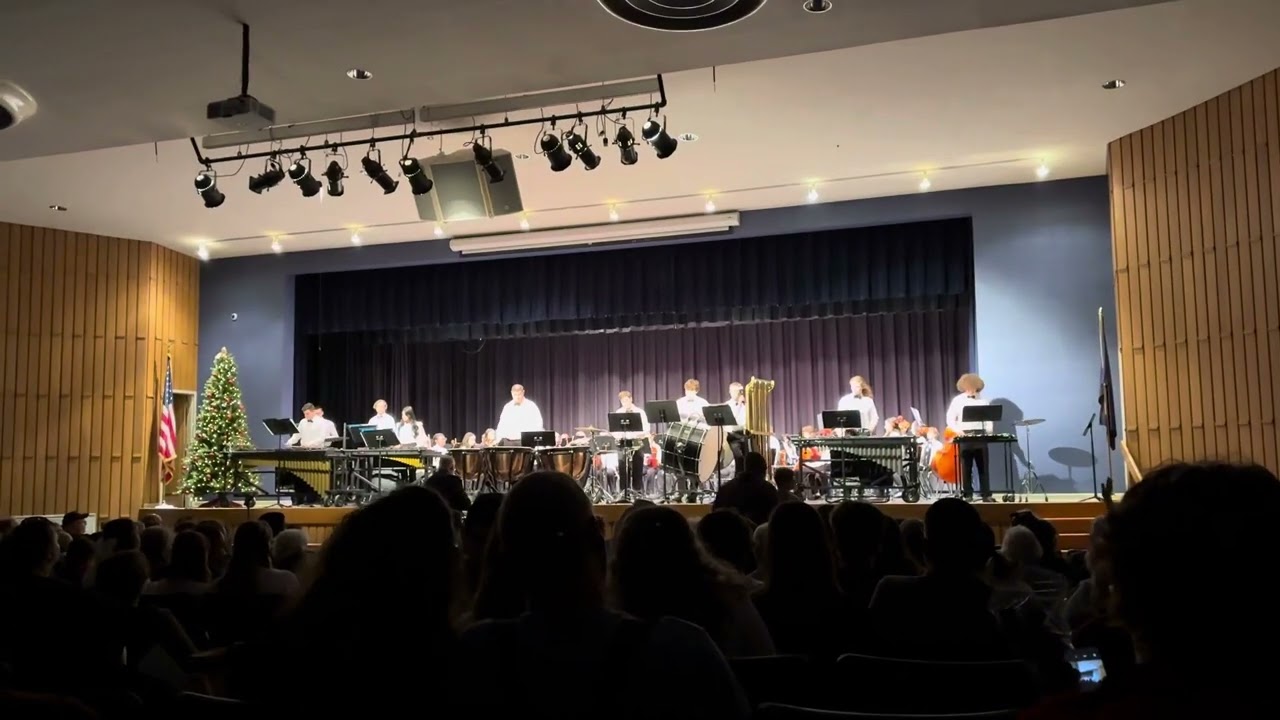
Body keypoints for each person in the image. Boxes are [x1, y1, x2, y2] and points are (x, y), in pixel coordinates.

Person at [945, 373, 993, 501]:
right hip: (964, 435)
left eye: (973, 387)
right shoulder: (958, 400)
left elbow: (989, 420)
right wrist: (958, 431)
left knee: (983, 466)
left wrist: (988, 432)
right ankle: (967, 494)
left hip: (981, 435)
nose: (971, 389)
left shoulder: (983, 401)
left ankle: (986, 494)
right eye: (969, 387)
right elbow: (950, 419)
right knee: (966, 467)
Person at [613, 390, 650, 495]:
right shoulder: (619, 412)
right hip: (623, 443)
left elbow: (646, 428)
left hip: (637, 442)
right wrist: (618, 436)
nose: (624, 403)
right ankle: (624, 492)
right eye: (622, 401)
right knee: (623, 468)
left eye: (626, 400)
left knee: (637, 468)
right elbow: (614, 429)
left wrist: (638, 435)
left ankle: (637, 491)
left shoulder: (640, 412)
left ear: (631, 399)